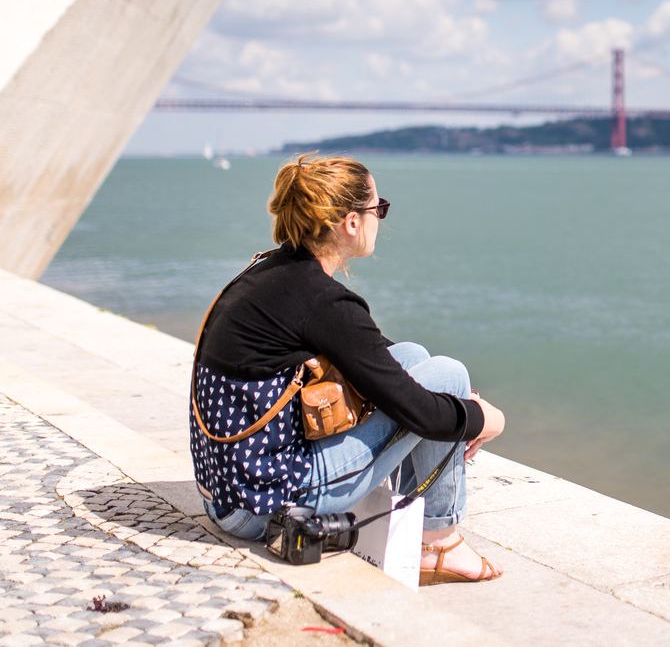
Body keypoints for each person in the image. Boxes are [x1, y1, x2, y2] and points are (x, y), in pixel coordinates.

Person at [190, 154, 506, 584]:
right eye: (379, 209)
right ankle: (440, 540)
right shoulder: (325, 302)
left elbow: (372, 357)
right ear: (351, 223)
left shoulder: (268, 272)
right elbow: (422, 412)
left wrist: (458, 412)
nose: (381, 218)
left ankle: (421, 524)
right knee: (448, 376)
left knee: (412, 356)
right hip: (270, 508)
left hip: (224, 494)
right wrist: (485, 418)